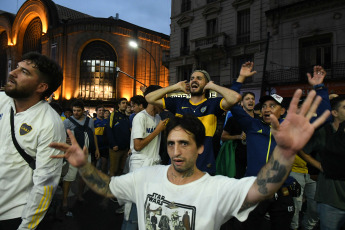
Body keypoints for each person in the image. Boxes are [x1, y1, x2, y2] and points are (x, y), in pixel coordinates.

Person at [49, 89, 330, 230]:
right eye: (171, 143)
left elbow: (262, 188)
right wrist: (82, 166)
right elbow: (106, 187)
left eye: (184, 144)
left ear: (199, 149)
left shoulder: (217, 187)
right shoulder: (147, 177)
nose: (175, 151)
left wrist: (286, 152)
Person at [230, 62, 331, 230]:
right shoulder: (252, 125)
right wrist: (241, 78)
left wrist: (319, 87)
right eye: (263, 106)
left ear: (282, 111)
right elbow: (232, 102)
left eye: (272, 106)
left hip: (282, 190)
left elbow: (325, 116)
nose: (266, 109)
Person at [0, 52, 65, 230]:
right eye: (17, 67)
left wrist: (26, 227)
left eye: (24, 72)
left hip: (12, 215)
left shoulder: (50, 123)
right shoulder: (2, 100)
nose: (13, 73)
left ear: (41, 86)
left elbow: (45, 183)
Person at [145, 69, 241, 174]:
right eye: (192, 78)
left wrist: (213, 86)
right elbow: (149, 98)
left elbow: (235, 98)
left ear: (206, 84)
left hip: (203, 165)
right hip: (178, 165)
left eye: (199, 78)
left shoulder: (213, 104)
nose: (194, 80)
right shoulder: (178, 103)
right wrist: (174, 87)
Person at [122, 85, 168, 230]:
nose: (163, 103)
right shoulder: (139, 117)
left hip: (153, 167)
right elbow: (138, 145)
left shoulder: (158, 117)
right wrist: (157, 131)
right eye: (162, 99)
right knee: (134, 209)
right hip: (140, 168)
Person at [302, 96, 345, 230]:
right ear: (335, 113)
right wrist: (320, 166)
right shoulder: (324, 132)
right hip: (331, 199)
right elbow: (302, 149)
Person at [61, 100, 100, 214]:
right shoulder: (67, 122)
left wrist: (96, 149)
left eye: (78, 110)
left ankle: (79, 195)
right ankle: (64, 200)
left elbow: (93, 135)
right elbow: (61, 136)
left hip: (86, 154)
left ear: (83, 110)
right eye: (74, 110)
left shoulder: (90, 121)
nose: (76, 113)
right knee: (69, 177)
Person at [221, 91, 257, 179]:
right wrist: (238, 136)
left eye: (252, 99)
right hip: (237, 159)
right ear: (241, 103)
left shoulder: (259, 120)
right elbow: (223, 137)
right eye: (247, 99)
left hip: (255, 158)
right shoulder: (233, 119)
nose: (250, 101)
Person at [107, 98, 131, 176]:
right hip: (115, 149)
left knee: (121, 170)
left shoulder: (126, 117)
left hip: (125, 149)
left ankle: (117, 187)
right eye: (123, 103)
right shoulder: (113, 115)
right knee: (113, 170)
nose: (125, 104)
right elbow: (109, 130)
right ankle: (110, 187)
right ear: (119, 105)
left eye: (126, 103)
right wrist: (113, 144)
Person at [94, 105, 109, 174]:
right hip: (95, 146)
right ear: (96, 111)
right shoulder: (93, 121)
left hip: (105, 146)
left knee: (104, 163)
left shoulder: (107, 121)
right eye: (99, 110)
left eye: (103, 110)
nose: (101, 112)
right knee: (94, 163)